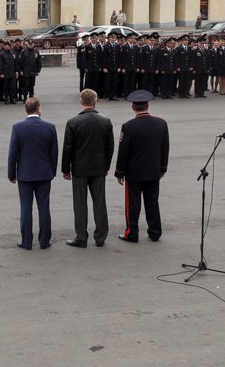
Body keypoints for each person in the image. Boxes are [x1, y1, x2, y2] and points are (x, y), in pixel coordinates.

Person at [114, 90, 170, 243]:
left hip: (134, 172)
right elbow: (165, 148)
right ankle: (155, 232)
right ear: (148, 106)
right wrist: (162, 168)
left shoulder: (128, 126)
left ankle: (132, 233)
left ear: (133, 107)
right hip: (153, 170)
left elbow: (123, 152)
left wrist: (119, 172)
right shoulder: (161, 123)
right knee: (152, 202)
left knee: (133, 204)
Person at [61, 88, 114, 248]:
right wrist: (106, 166)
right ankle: (100, 237)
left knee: (80, 204)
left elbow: (68, 148)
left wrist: (65, 170)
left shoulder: (73, 122)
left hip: (79, 168)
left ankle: (81, 237)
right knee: (99, 203)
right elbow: (109, 147)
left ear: (81, 101)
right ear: (95, 101)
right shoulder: (105, 121)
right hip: (98, 167)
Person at [7, 97, 59, 250]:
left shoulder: (18, 128)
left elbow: (13, 154)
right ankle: (44, 240)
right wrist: (52, 171)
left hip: (25, 174)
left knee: (26, 208)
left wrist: (12, 174)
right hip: (44, 173)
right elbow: (54, 153)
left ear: (26, 110)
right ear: (38, 109)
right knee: (44, 207)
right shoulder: (50, 127)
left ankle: (26, 241)